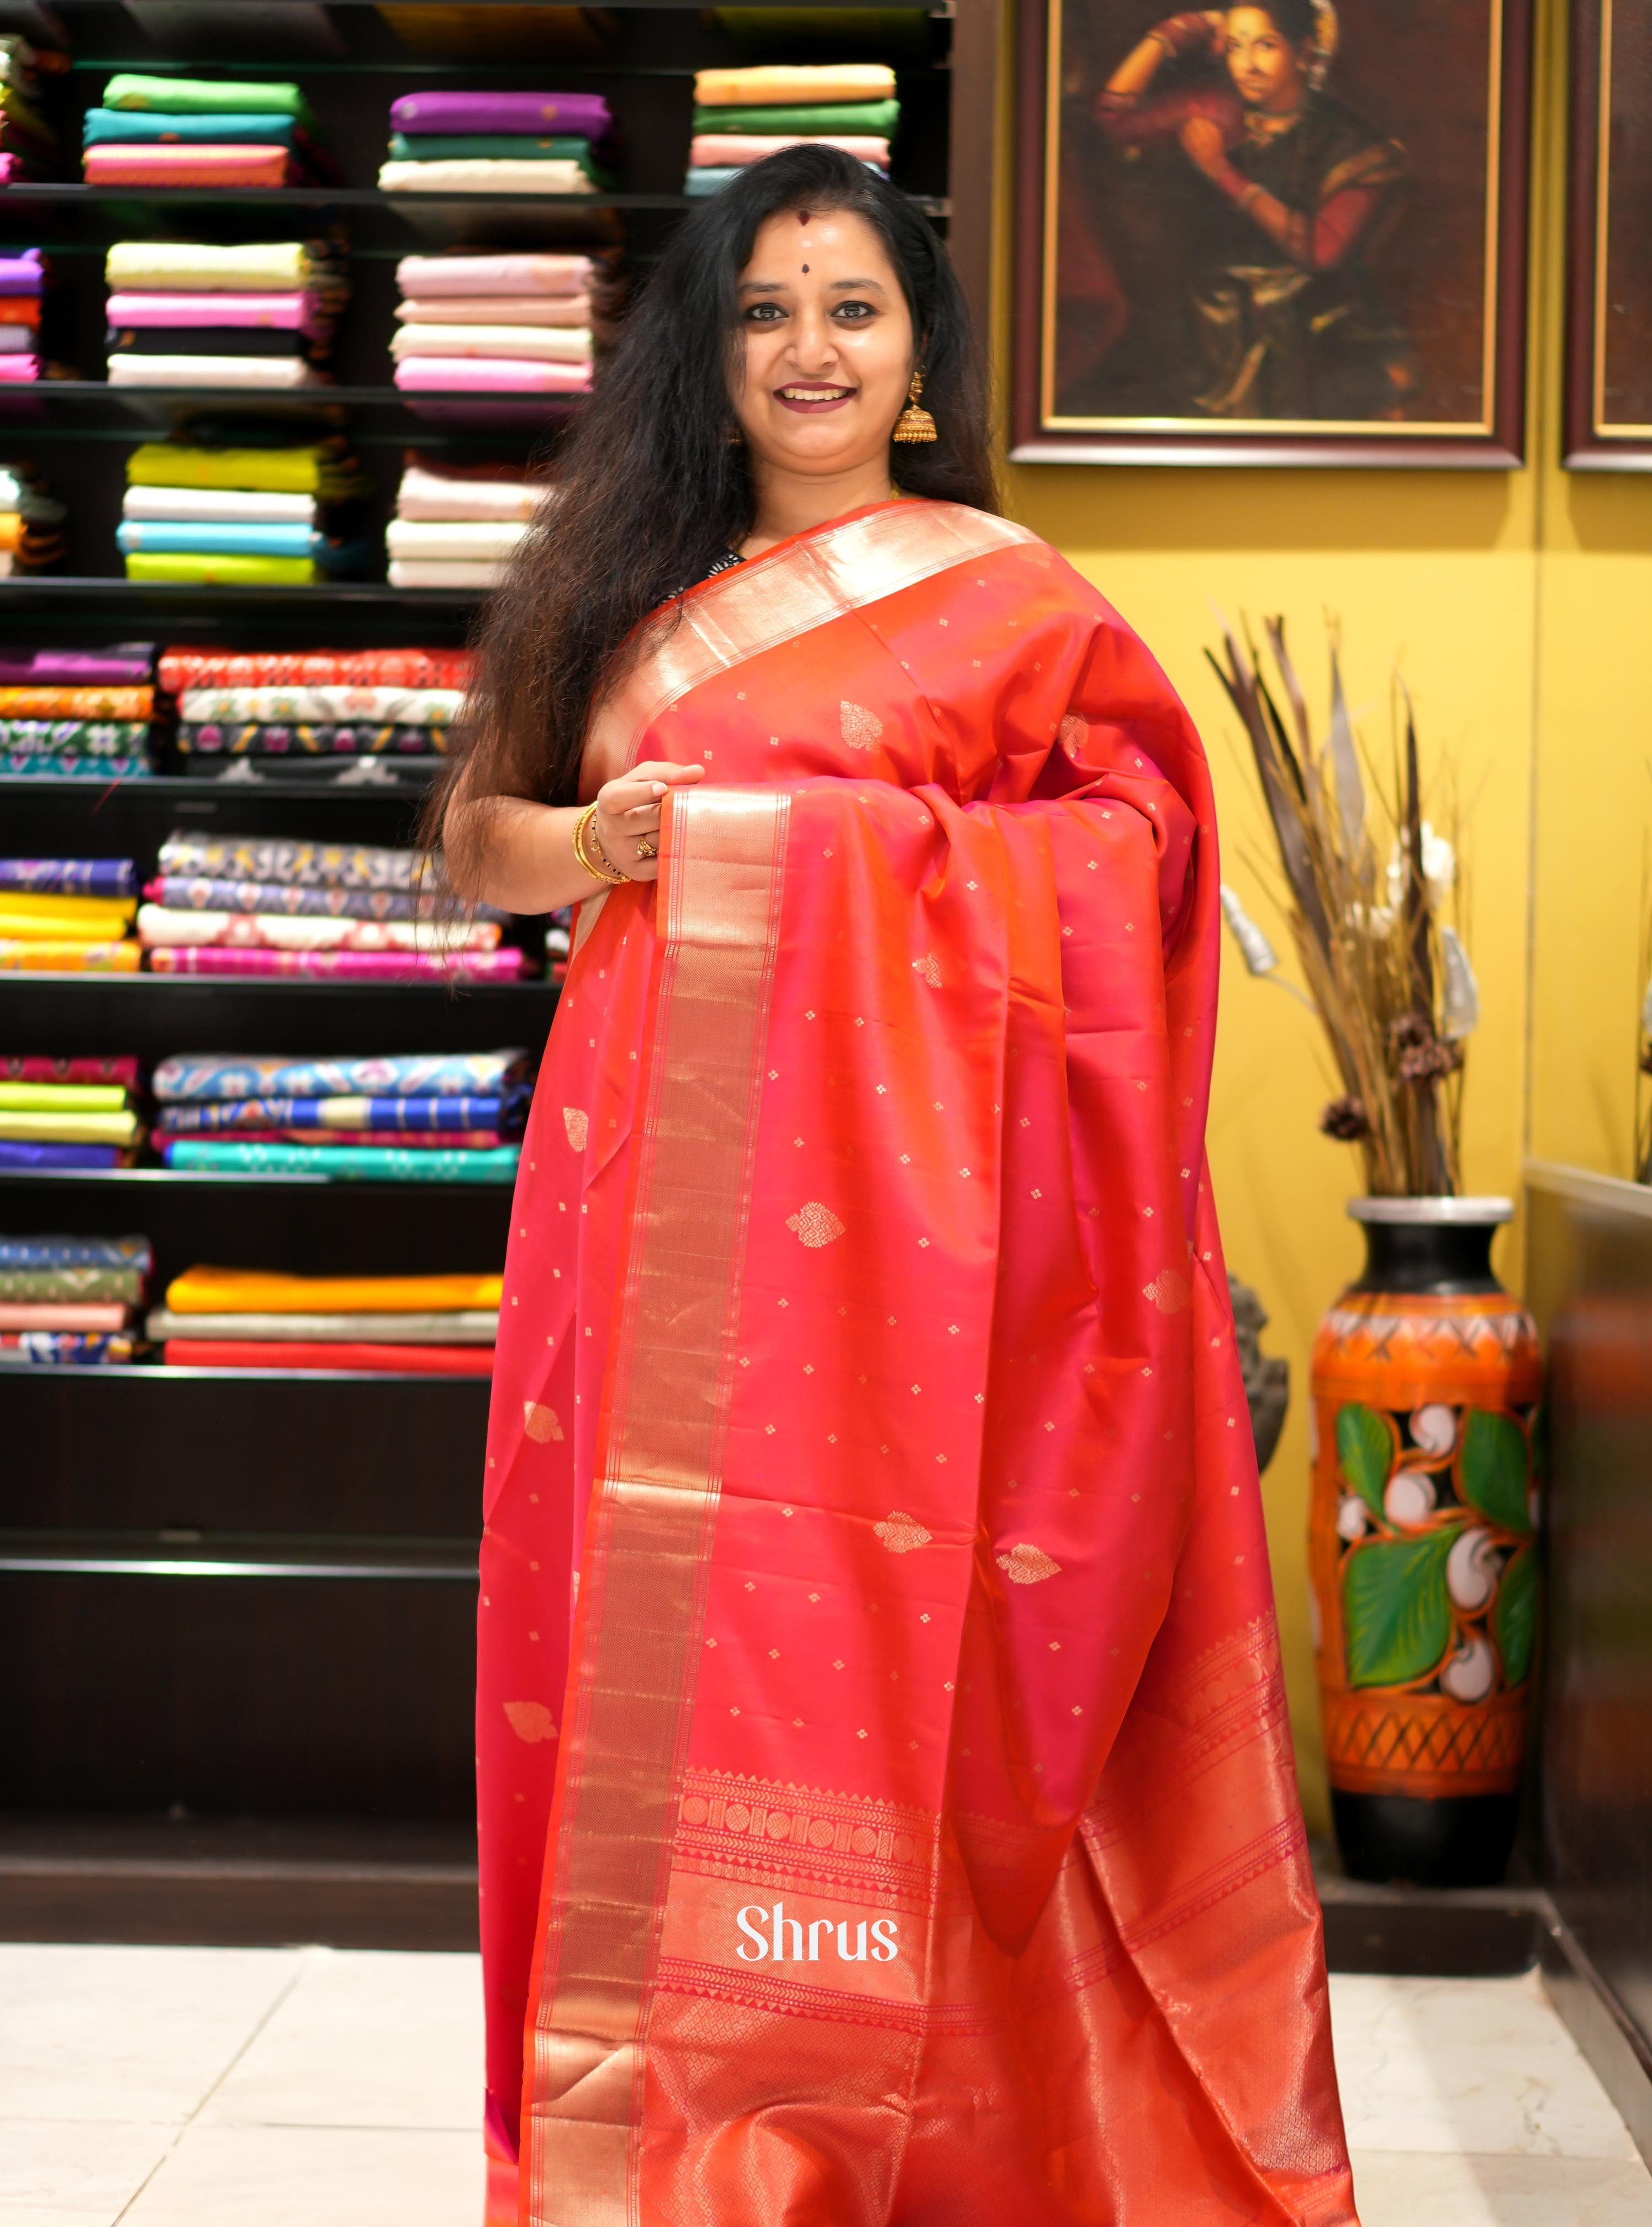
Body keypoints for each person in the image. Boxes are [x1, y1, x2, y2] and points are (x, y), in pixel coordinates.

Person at [431, 143, 1359, 2226]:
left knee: (899, 1635)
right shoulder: (622, 595)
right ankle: (677, 2121)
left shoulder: (1010, 598)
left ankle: (919, 2128)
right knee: (655, 1644)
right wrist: (606, 846)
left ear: (920, 351)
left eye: (849, 305)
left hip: (921, 1271)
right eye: (761, 309)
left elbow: (1135, 864)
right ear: (707, 349)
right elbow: (484, 836)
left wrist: (841, 855)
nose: (807, 348)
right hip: (648, 1227)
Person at [1085, 1, 1416, 419]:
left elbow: (1320, 250)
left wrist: (1222, 172)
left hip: (1312, 330)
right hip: (1210, 326)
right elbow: (1112, 117)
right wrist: (1180, 29)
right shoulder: (1217, 108)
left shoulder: (1350, 141)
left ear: (1304, 51)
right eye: (1236, 47)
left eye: (1265, 46)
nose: (1248, 65)